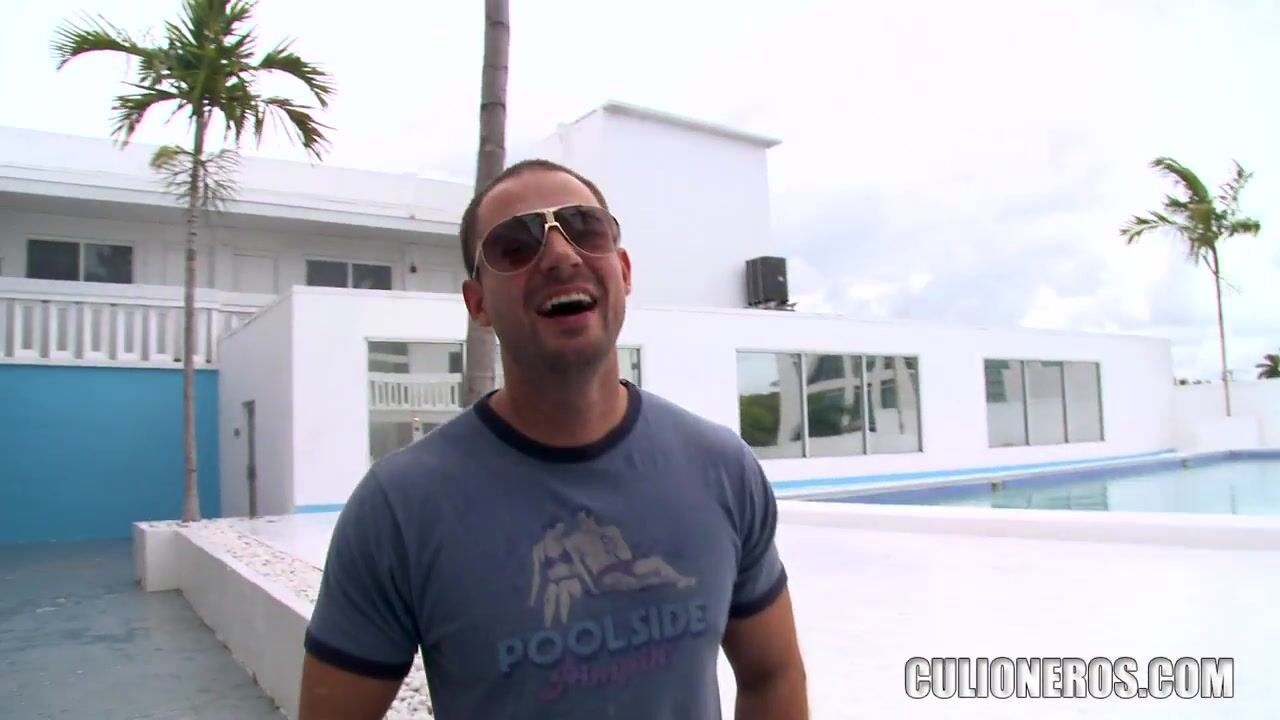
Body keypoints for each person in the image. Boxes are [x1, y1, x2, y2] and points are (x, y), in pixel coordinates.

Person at [297, 158, 808, 719]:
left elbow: (773, 675)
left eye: (585, 228)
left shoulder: (720, 470)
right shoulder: (399, 508)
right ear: (478, 303)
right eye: (515, 246)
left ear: (623, 270)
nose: (561, 255)